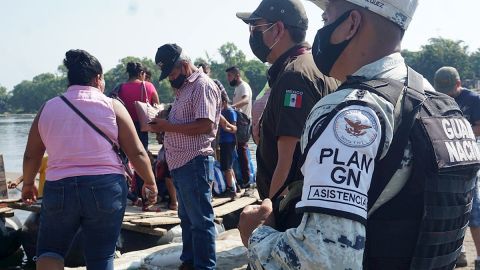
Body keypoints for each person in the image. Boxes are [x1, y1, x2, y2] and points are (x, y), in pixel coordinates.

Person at [238, 0, 480, 269]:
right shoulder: (443, 108)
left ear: (351, 24)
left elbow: (322, 260)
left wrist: (257, 235)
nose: (322, 31)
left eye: (326, 20)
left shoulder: (352, 114)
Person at [21, 49, 157, 270]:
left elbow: (31, 154)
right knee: (101, 256)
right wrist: (150, 183)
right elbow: (137, 152)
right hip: (105, 188)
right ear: (97, 79)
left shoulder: (48, 107)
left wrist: (28, 184)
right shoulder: (112, 106)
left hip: (60, 189)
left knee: (50, 252)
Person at [236, 0, 339, 201]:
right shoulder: (319, 66)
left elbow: (288, 162)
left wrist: (270, 216)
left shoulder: (294, 76)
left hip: (294, 208)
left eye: (255, 27)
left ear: (278, 29)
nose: (252, 34)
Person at [150, 43, 221, 270]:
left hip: (195, 160)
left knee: (201, 221)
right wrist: (166, 117)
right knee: (188, 219)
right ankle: (189, 263)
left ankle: (204, 267)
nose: (171, 78)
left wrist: (168, 126)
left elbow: (204, 125)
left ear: (184, 65)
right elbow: (185, 120)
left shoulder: (202, 85)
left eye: (172, 73)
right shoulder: (184, 89)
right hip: (181, 162)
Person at [434, 66, 480, 269]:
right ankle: (458, 253)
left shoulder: (473, 100)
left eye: (450, 90)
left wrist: (458, 134)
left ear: (459, 84)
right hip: (447, 159)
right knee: (450, 205)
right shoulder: (436, 99)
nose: (446, 95)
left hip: (469, 157)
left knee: (474, 208)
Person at [117, 62, 160, 202]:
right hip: (142, 128)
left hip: (123, 128)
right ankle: (146, 198)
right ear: (142, 74)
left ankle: (127, 194)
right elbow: (156, 107)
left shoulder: (121, 88)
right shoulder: (148, 86)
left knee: (123, 161)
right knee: (142, 161)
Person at [225, 66, 253, 189]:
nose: (228, 79)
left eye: (229, 76)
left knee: (242, 150)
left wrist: (231, 107)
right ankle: (242, 178)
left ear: (237, 75)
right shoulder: (238, 88)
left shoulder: (243, 86)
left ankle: (247, 180)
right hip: (239, 120)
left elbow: (246, 100)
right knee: (239, 150)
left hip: (243, 121)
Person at [218, 91, 238, 199]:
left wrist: (226, 127)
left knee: (227, 167)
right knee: (227, 166)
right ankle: (235, 186)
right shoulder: (223, 111)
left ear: (224, 102)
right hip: (223, 141)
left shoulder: (230, 112)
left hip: (228, 142)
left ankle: (231, 190)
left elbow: (234, 129)